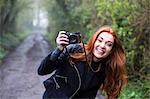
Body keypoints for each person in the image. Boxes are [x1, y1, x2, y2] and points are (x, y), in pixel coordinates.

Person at [38, 26, 128, 99]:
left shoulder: (106, 68)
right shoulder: (74, 50)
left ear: (111, 50)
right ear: (94, 41)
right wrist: (58, 50)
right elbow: (42, 71)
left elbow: (112, 93)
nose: (102, 46)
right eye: (100, 40)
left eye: (108, 44)